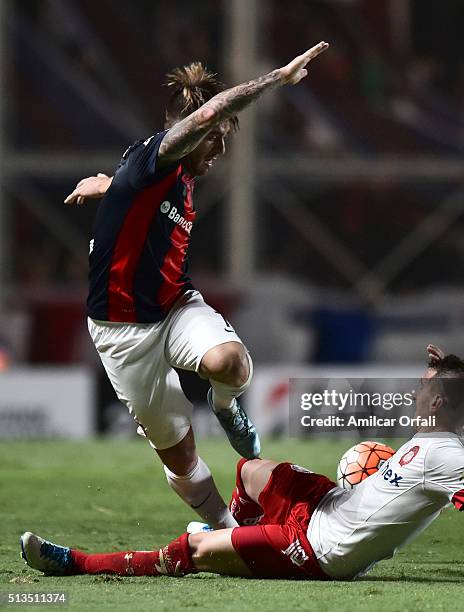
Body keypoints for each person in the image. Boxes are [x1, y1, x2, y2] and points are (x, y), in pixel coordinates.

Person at [63, 42, 329, 530]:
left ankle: (225, 406)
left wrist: (103, 185)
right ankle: (229, 532)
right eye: (217, 137)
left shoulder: (172, 174)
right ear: (192, 132)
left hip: (174, 308)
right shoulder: (161, 154)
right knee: (180, 458)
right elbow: (208, 114)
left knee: (230, 363)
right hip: (120, 331)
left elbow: (128, 187)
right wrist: (277, 79)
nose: (222, 147)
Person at [21, 346, 464, 588]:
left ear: (438, 404)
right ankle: (243, 531)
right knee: (252, 470)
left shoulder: (448, 456)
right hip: (330, 504)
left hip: (321, 549)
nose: (416, 390)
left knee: (193, 549)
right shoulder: (452, 430)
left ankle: (76, 562)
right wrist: (451, 373)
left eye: (424, 386)